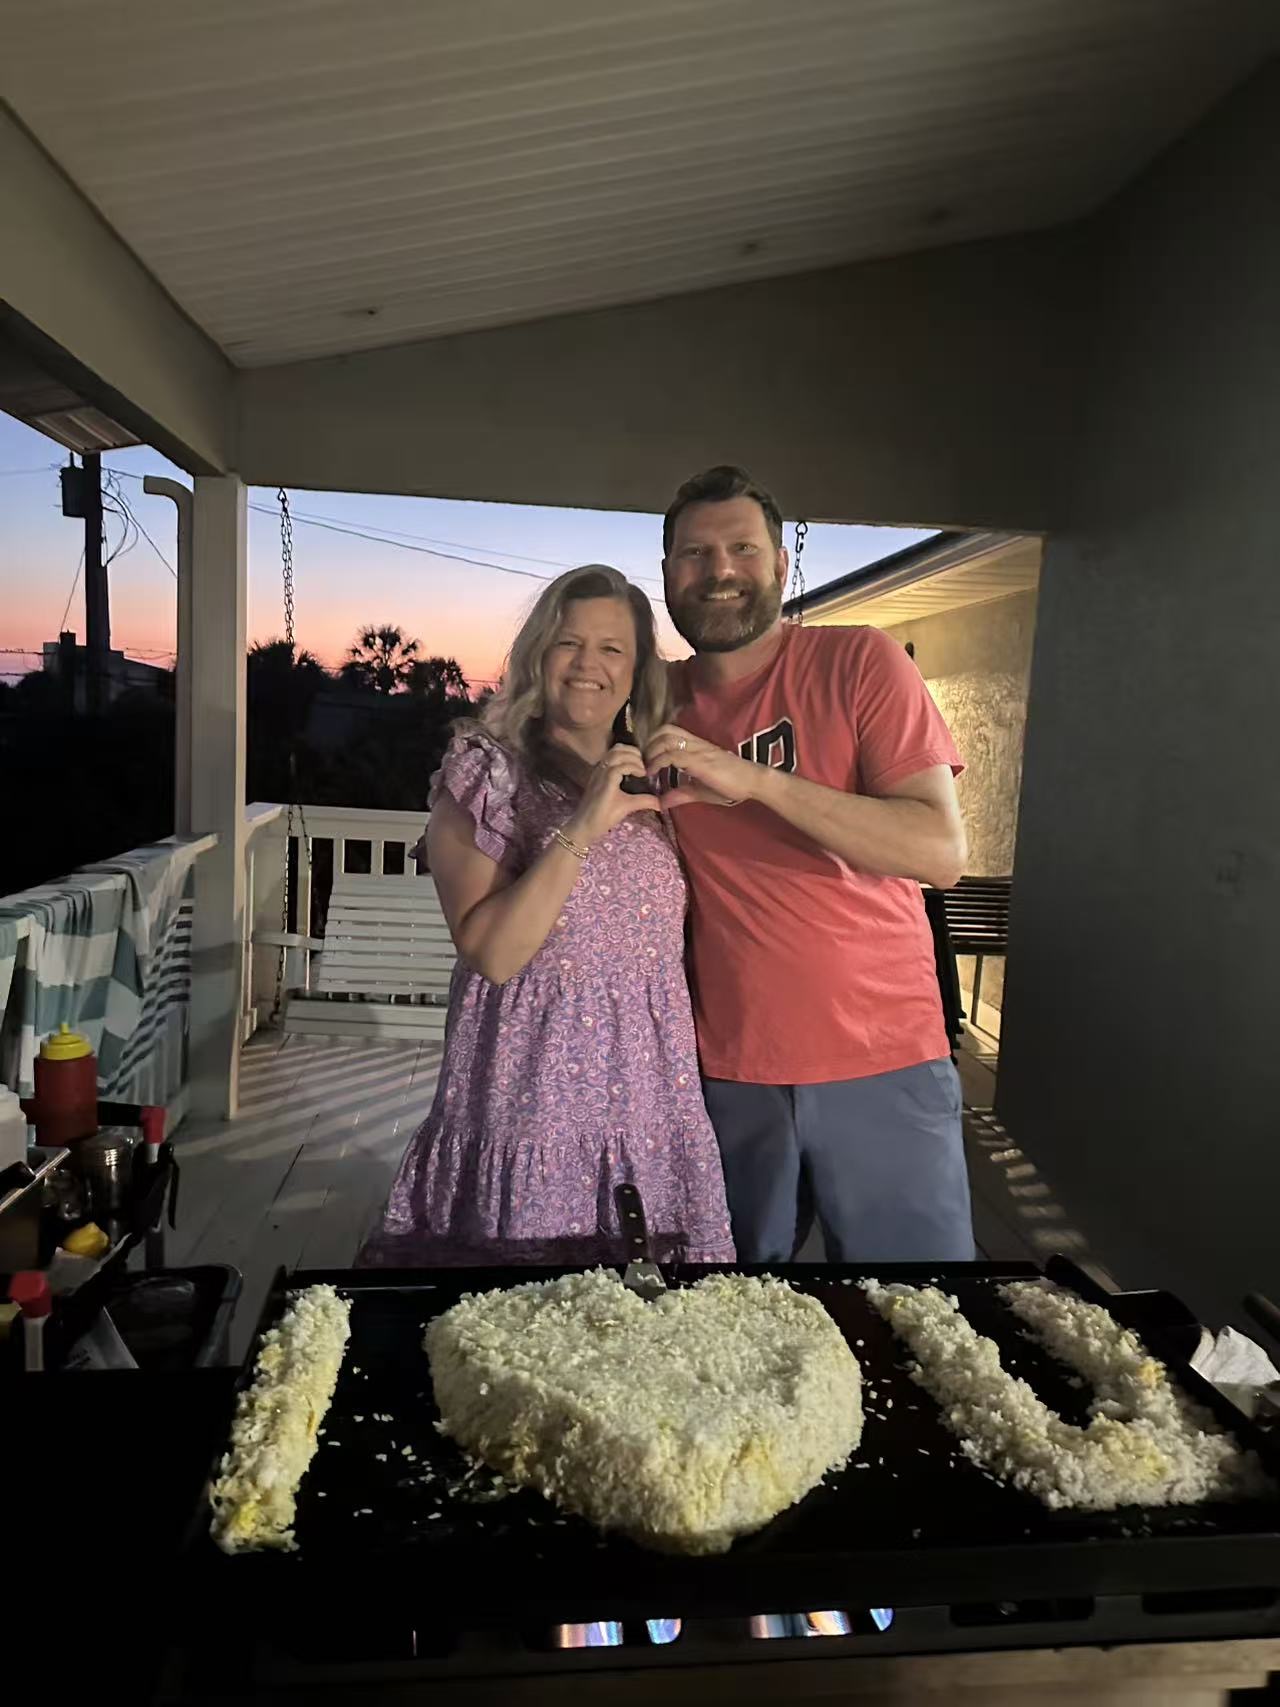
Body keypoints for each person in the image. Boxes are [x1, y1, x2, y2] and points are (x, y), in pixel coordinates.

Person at [359, 564, 734, 1267]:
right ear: (538, 653)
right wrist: (583, 824)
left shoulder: (659, 777)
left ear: (636, 671)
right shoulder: (486, 771)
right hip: (531, 1104)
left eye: (612, 648)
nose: (588, 664)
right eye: (569, 642)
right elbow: (493, 953)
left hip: (652, 1109)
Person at [645, 465, 974, 1264]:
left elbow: (939, 850)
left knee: (918, 1307)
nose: (719, 571)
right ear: (666, 574)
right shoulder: (652, 699)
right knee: (730, 1321)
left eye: (741, 549)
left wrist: (751, 778)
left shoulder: (857, 664)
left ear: (780, 566)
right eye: (694, 553)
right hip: (724, 1071)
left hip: (880, 1055)